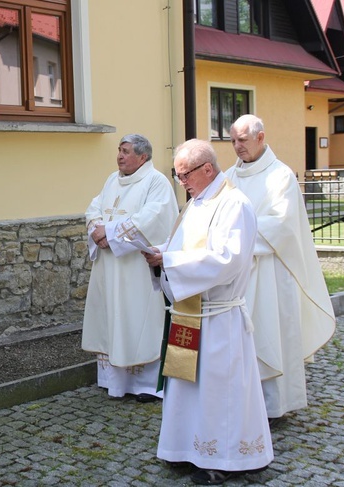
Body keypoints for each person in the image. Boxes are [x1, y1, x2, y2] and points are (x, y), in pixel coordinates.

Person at [143, 139, 272, 485]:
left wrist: (169, 260)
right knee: (187, 388)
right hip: (189, 313)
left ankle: (223, 459)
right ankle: (186, 448)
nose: (180, 181)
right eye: (177, 174)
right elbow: (183, 246)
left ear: (207, 169)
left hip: (219, 317)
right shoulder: (196, 203)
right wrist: (161, 253)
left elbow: (226, 260)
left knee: (218, 392)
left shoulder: (234, 204)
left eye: (184, 174)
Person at [225, 114, 335, 425]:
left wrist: (236, 235)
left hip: (272, 270)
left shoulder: (281, 176)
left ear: (260, 138)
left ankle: (276, 405)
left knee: (270, 333)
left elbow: (282, 225)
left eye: (242, 140)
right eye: (233, 140)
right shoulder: (231, 175)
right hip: (240, 272)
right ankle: (245, 401)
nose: (236, 146)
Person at [81, 134, 178, 403]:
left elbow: (152, 218)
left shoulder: (156, 182)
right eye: (119, 150)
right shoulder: (113, 179)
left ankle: (147, 385)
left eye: (125, 151)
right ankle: (115, 382)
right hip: (109, 266)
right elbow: (94, 207)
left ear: (142, 157)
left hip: (136, 267)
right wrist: (96, 230)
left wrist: (109, 233)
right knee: (113, 316)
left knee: (139, 318)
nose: (119, 156)